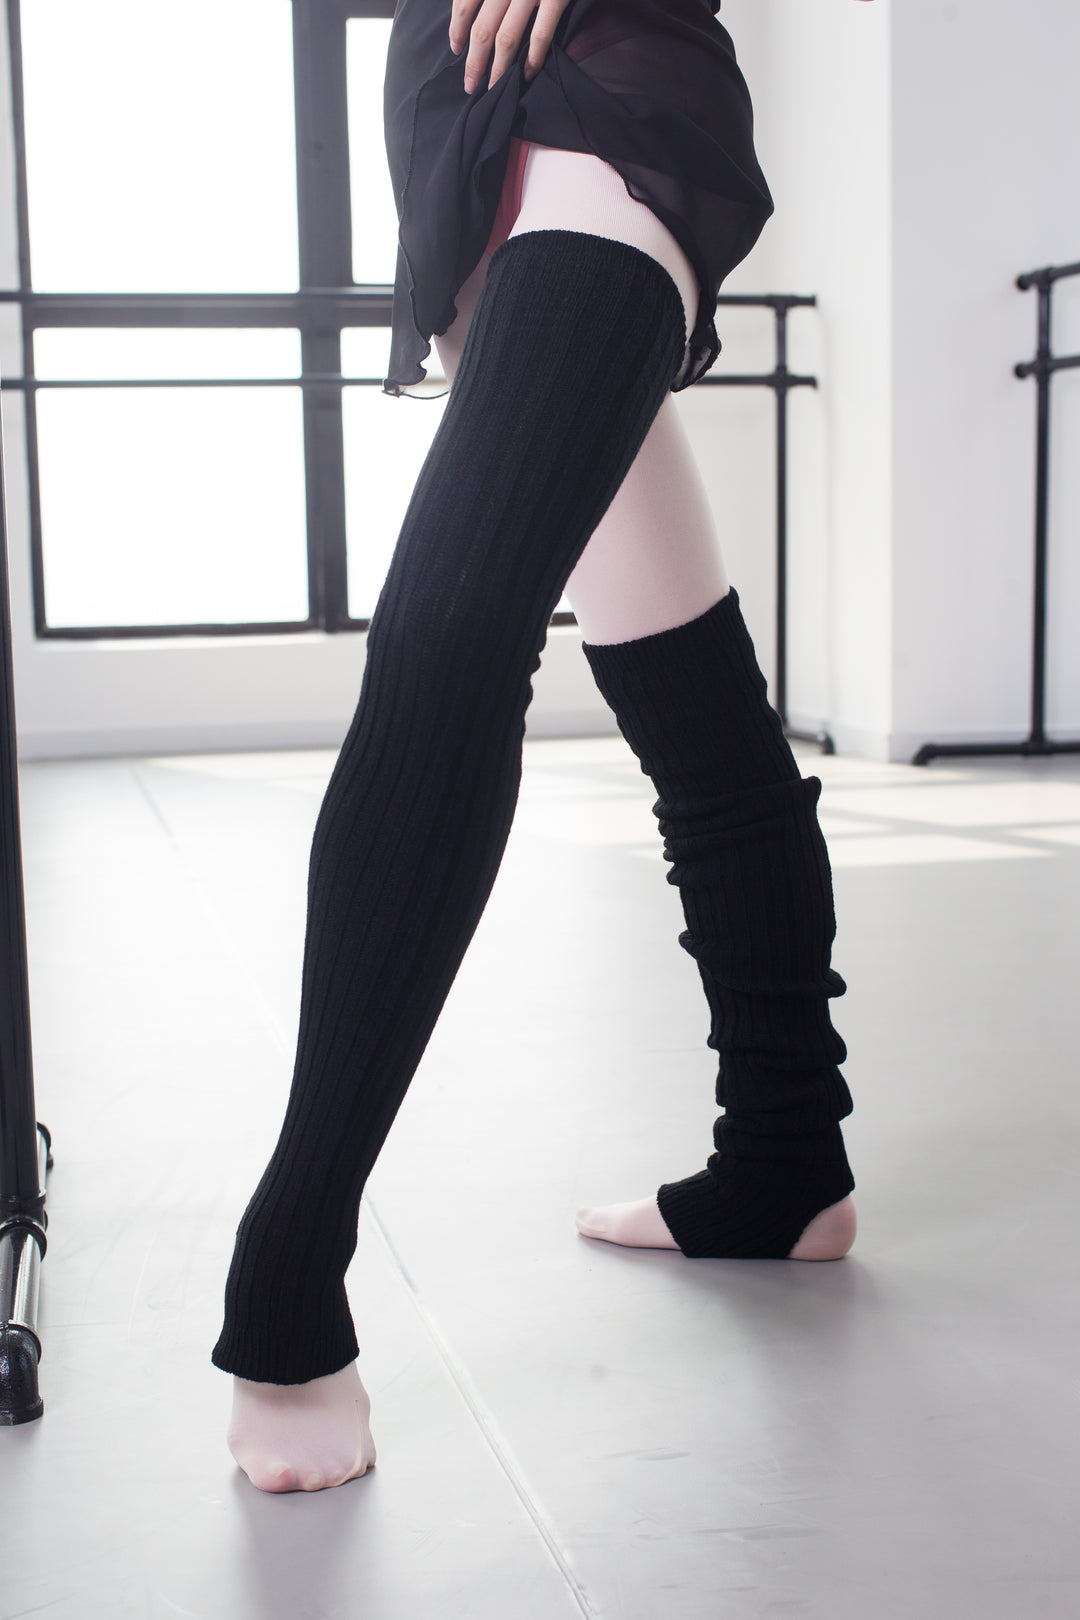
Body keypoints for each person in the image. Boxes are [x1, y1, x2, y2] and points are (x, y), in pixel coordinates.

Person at [212, 0, 871, 1493]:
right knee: (696, 710)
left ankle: (290, 1265)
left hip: (599, 101)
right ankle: (787, 1160)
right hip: (472, 143)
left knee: (450, 637)